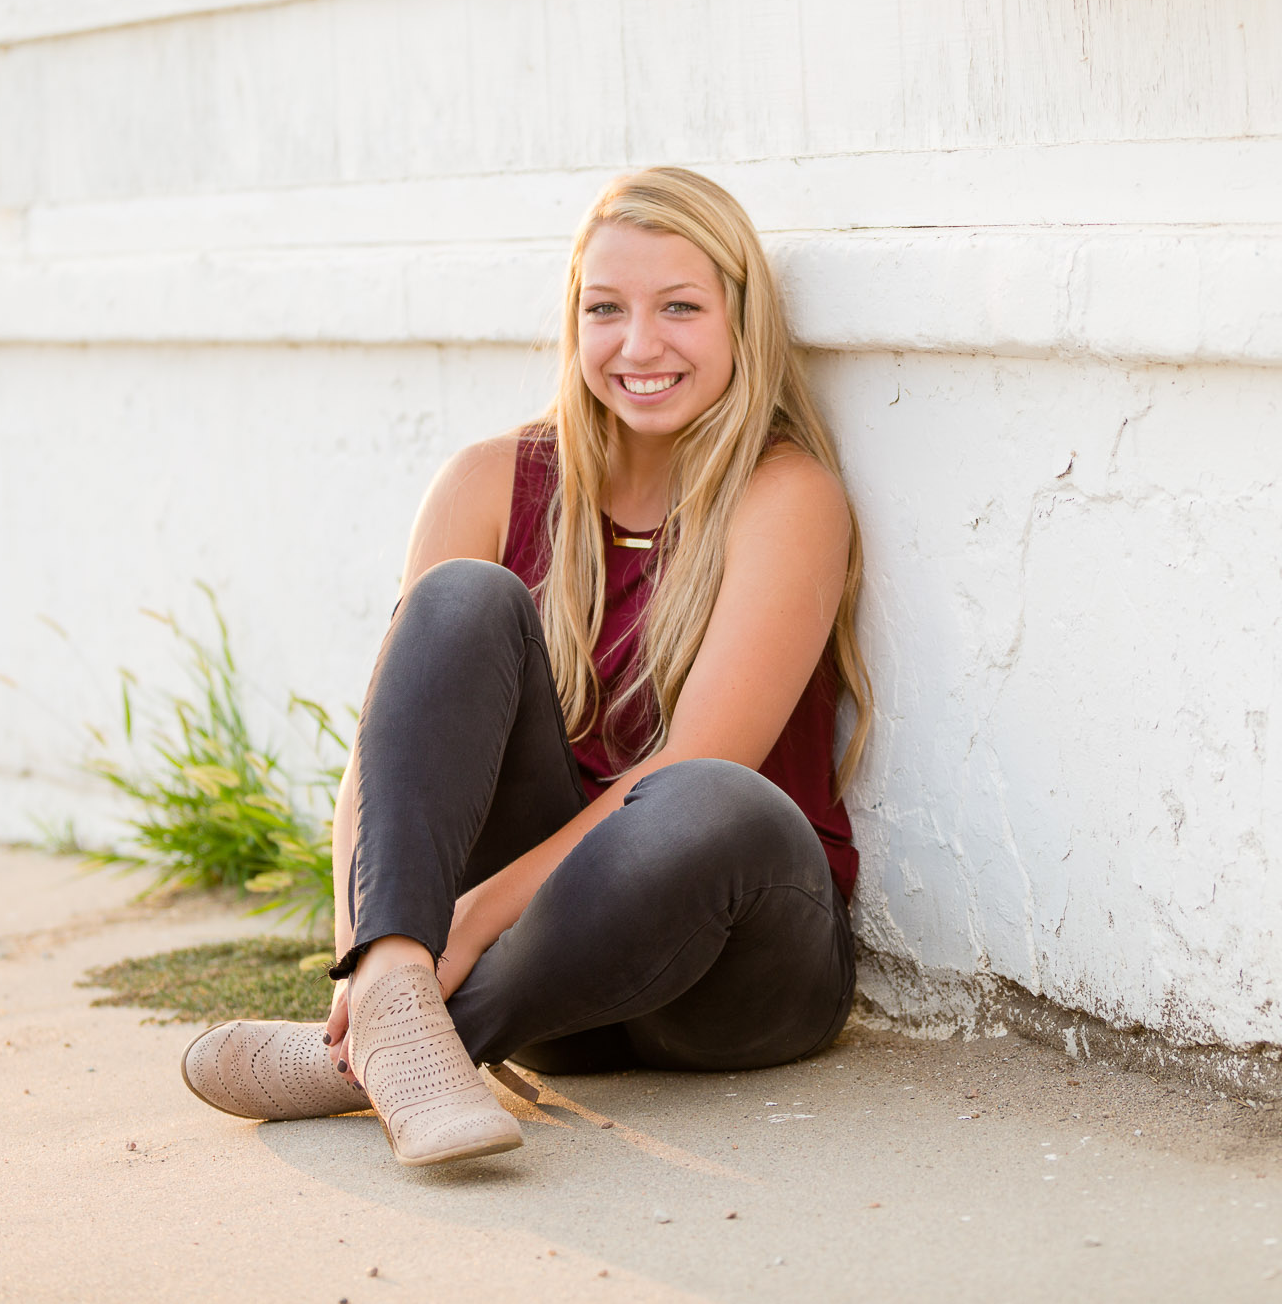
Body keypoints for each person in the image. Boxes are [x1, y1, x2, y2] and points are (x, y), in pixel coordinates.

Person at [179, 167, 873, 1166]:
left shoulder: (786, 493)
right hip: (549, 984)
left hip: (735, 970)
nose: (640, 344)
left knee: (709, 799)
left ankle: (387, 1055)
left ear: (741, 320)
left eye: (679, 306)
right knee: (459, 598)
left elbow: (698, 758)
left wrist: (459, 923)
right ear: (572, 321)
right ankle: (388, 1018)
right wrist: (376, 953)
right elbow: (382, 763)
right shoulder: (489, 482)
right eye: (607, 309)